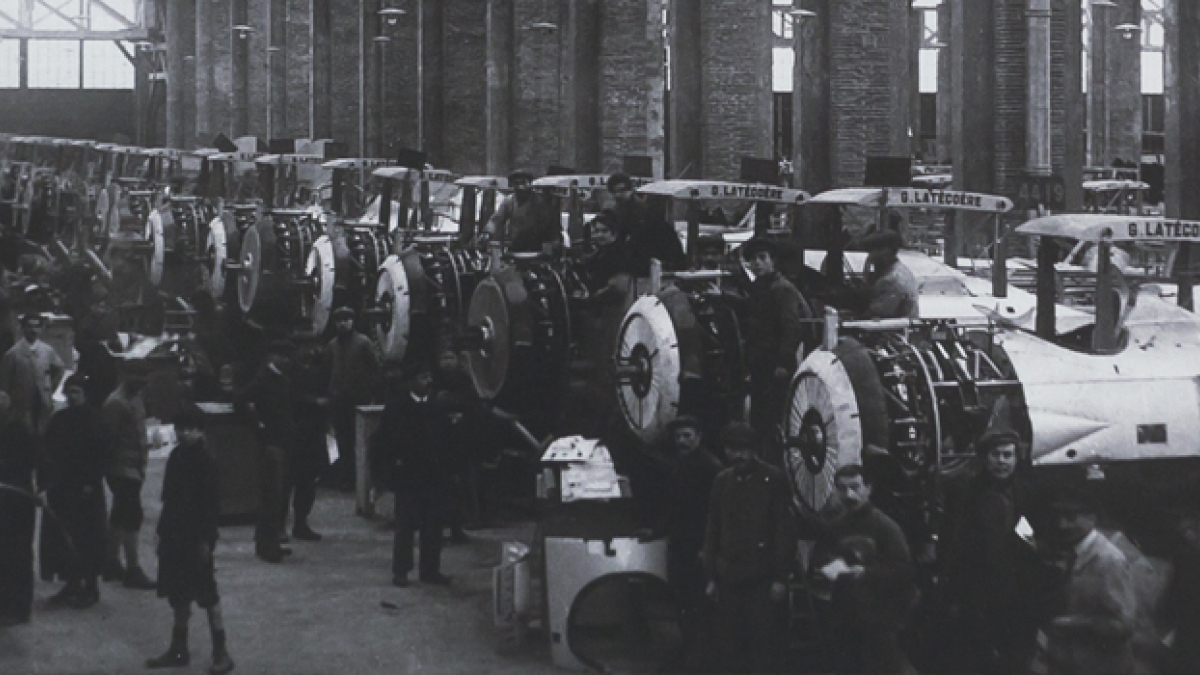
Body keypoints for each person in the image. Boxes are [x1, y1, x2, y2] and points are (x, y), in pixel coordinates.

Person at [938, 428, 1039, 673]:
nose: (1002, 462)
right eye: (996, 455)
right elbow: (953, 540)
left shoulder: (1024, 492)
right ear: (985, 458)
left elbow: (1032, 532)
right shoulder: (965, 491)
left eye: (1008, 455)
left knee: (1015, 653)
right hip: (976, 586)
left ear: (1017, 458)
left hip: (1014, 585)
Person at [145, 405, 234, 674]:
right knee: (178, 593)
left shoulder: (206, 462)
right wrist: (162, 532)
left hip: (196, 537)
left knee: (207, 594)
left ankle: (221, 652)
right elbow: (169, 499)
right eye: (179, 428)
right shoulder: (176, 457)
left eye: (189, 429)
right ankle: (178, 648)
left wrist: (207, 541)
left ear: (200, 430)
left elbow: (210, 507)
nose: (183, 433)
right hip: (175, 535)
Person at [703, 422, 796, 673]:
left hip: (762, 580)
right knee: (730, 645)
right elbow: (713, 529)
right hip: (729, 578)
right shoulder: (722, 481)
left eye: (743, 449)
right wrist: (711, 576)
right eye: (732, 450)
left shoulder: (773, 479)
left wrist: (780, 578)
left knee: (763, 646)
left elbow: (783, 531)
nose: (738, 455)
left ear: (754, 451)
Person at [638, 415, 725, 671]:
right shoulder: (680, 465)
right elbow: (675, 508)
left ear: (698, 437)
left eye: (687, 436)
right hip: (681, 545)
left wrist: (709, 548)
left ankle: (702, 661)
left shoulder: (710, 468)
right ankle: (690, 656)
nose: (682, 441)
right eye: (678, 437)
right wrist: (655, 531)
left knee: (701, 606)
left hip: (699, 547)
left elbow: (714, 513)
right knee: (685, 602)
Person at [809, 464, 916, 674]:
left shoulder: (886, 527)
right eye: (842, 488)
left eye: (855, 487)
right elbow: (822, 560)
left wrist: (866, 573)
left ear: (868, 488)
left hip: (880, 620)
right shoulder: (835, 526)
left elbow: (904, 570)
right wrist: (826, 569)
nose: (849, 494)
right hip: (846, 617)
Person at [1031, 487, 1135, 675]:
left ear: (1092, 518)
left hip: (1101, 666)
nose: (1062, 525)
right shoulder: (1070, 552)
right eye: (1057, 517)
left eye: (1071, 517)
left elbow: (1123, 625)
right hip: (1070, 664)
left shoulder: (1108, 560)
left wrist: (1071, 623)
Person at [371, 361, 452, 587]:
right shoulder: (397, 407)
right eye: (422, 377)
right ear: (411, 381)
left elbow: (446, 441)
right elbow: (383, 444)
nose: (428, 381)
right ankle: (401, 571)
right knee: (405, 526)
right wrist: (384, 477)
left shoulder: (436, 407)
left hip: (433, 476)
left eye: (429, 377)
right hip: (407, 476)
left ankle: (430, 570)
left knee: (433, 526)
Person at [40, 374, 112, 609]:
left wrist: (91, 482)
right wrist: (46, 482)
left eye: (77, 391)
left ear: (85, 394)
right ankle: (71, 583)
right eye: (69, 391)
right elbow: (47, 451)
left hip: (85, 490)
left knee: (87, 536)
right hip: (62, 488)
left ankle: (90, 586)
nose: (72, 396)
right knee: (64, 536)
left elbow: (101, 455)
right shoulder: (59, 419)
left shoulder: (95, 420)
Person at [741, 237, 810, 455]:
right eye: (752, 259)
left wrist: (783, 361)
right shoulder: (759, 288)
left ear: (773, 261)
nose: (757, 264)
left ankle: (775, 457)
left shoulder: (782, 289)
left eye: (762, 258)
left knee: (775, 413)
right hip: (760, 360)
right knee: (760, 413)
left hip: (775, 362)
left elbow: (793, 328)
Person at [101, 359, 157, 589]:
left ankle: (111, 563)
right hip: (122, 467)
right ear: (126, 376)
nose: (143, 382)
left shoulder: (135, 397)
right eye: (139, 377)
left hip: (134, 464)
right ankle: (132, 569)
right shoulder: (116, 404)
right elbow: (108, 440)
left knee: (119, 514)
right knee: (132, 516)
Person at [238, 350, 296, 563]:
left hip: (280, 442)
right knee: (271, 497)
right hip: (272, 444)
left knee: (276, 497)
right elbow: (240, 399)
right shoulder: (266, 380)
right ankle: (266, 545)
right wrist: (257, 423)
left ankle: (268, 543)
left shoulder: (279, 378)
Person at [325, 306, 380, 491]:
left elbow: (374, 369)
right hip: (338, 400)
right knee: (343, 440)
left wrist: (371, 394)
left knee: (360, 441)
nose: (342, 324)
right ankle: (346, 478)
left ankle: (362, 480)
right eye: (339, 320)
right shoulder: (332, 345)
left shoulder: (363, 342)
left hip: (359, 400)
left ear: (352, 321)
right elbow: (328, 371)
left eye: (346, 320)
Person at [0, 392, 37, 626]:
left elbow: (26, 462)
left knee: (18, 553)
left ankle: (18, 608)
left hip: (17, 500)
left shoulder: (18, 430)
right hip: (9, 498)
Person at [0, 312, 66, 434]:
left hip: (43, 401)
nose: (33, 330)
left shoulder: (47, 350)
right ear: (23, 328)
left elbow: (60, 368)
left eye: (36, 326)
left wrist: (50, 386)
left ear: (41, 329)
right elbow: (4, 381)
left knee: (43, 430)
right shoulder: (13, 354)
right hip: (21, 402)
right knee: (25, 431)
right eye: (29, 326)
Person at [608, 172, 686, 273]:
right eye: (614, 192)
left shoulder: (643, 213)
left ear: (631, 190)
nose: (617, 195)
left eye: (622, 190)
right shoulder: (619, 211)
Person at [482, 169, 560, 253]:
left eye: (523, 183)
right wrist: (488, 233)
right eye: (516, 183)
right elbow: (497, 219)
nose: (520, 186)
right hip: (515, 245)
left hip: (537, 246)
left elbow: (549, 224)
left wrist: (553, 241)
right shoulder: (509, 201)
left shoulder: (539, 202)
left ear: (530, 184)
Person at [858, 230, 919, 319]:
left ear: (886, 251)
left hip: (894, 329)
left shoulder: (891, 279)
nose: (870, 256)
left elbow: (877, 311)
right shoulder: (899, 269)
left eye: (873, 251)